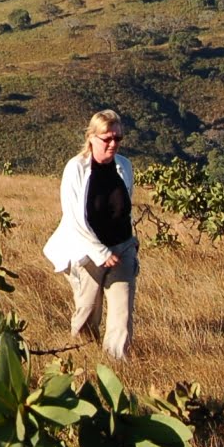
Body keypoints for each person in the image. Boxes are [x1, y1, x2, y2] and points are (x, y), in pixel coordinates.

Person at [41, 109, 137, 359]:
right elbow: (74, 218)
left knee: (122, 313)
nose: (113, 144)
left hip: (122, 247)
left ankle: (118, 364)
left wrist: (126, 247)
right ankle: (82, 358)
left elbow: (125, 207)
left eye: (118, 138)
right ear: (92, 137)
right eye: (107, 138)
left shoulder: (124, 166)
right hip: (87, 252)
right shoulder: (76, 168)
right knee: (87, 312)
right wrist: (101, 252)